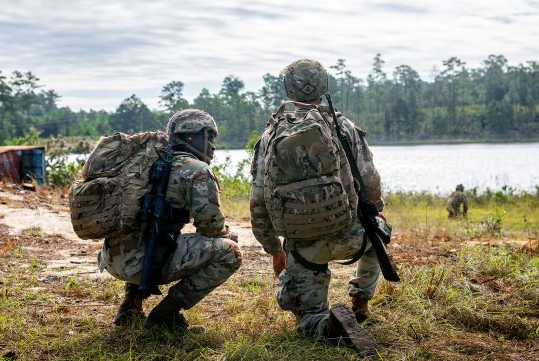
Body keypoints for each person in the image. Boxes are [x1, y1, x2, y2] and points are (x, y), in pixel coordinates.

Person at [250, 58, 391, 350]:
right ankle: (360, 302)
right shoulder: (344, 127)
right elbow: (369, 179)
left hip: (304, 250)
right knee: (381, 230)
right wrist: (375, 212)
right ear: (324, 85)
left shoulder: (270, 136)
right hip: (351, 235)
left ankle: (325, 324)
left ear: (288, 89)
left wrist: (275, 250)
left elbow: (259, 200)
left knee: (305, 318)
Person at [99, 109, 242, 331]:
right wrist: (228, 234)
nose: (213, 146)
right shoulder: (197, 171)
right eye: (209, 137)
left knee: (153, 231)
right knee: (231, 251)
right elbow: (212, 226)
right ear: (191, 136)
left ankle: (130, 305)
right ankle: (166, 314)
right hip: (141, 262)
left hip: (112, 258)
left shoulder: (146, 163)